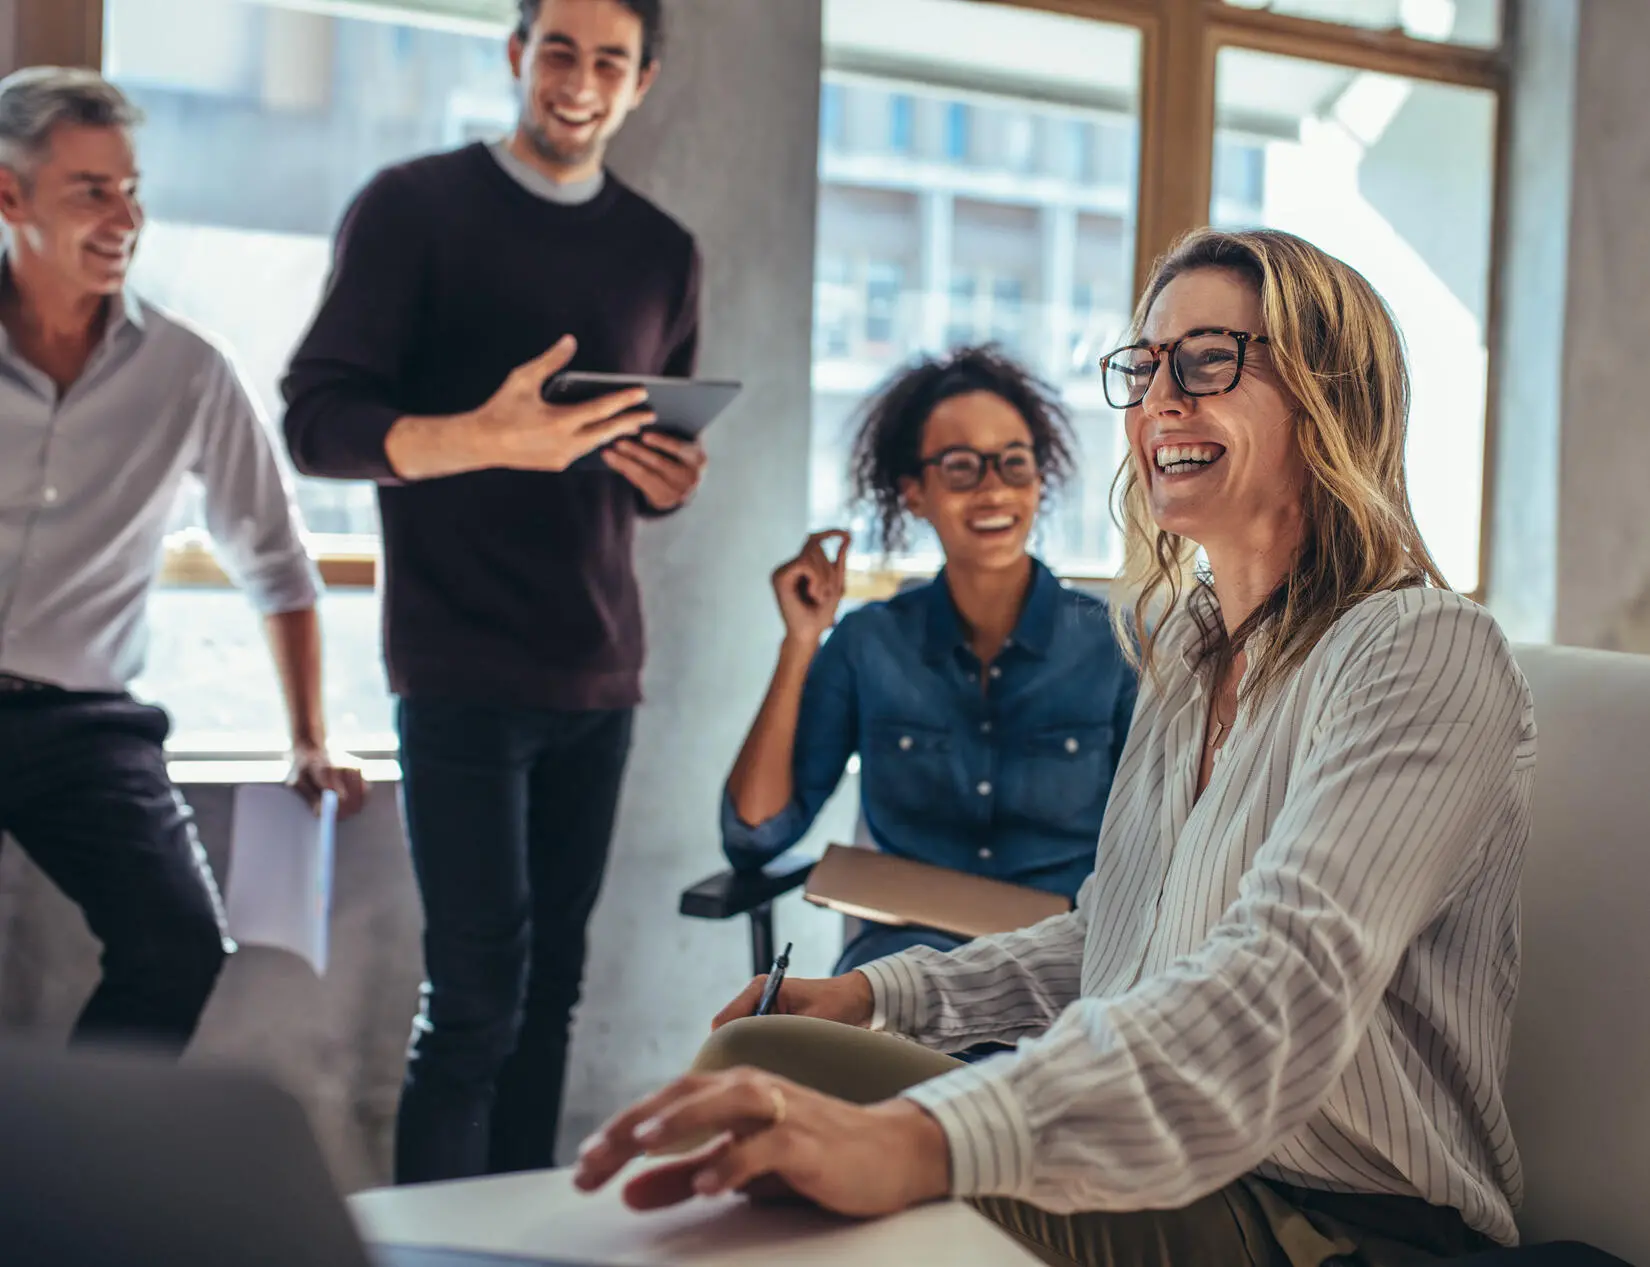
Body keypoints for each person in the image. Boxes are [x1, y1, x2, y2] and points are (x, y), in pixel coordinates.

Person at [574, 227, 1538, 1267]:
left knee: (821, 1151)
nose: (1161, 399)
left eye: (1209, 359)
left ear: (1329, 393)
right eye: (1146, 366)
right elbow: (1114, 939)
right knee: (762, 1055)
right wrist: (878, 994)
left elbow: (1274, 988)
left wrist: (922, 1138)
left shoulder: (1421, 647)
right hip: (1175, 1156)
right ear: (915, 493)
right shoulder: (1188, 650)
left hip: (1334, 1219)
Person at [282, 0, 704, 1184]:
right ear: (517, 55)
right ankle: (433, 1246)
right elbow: (317, 421)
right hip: (458, 663)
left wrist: (669, 478)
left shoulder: (664, 251)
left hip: (600, 664)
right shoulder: (412, 208)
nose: (578, 78)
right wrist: (481, 437)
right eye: (557, 49)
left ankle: (521, 1241)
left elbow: (641, 453)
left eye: (608, 60)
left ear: (642, 84)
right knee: (473, 1003)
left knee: (551, 999)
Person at [0, 68, 366, 1056]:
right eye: (91, 192)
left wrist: (309, 739)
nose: (127, 216)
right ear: (9, 195)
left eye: (132, 188)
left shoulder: (188, 371)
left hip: (85, 723)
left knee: (177, 946)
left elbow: (277, 563)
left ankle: (70, 1177)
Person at [722, 346, 1136, 974]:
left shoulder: (1118, 647)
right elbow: (755, 834)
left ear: (1039, 480)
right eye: (962, 466)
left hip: (1064, 974)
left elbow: (1167, 849)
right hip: (898, 971)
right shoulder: (868, 644)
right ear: (913, 493)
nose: (994, 488)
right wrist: (801, 640)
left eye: (1014, 463)